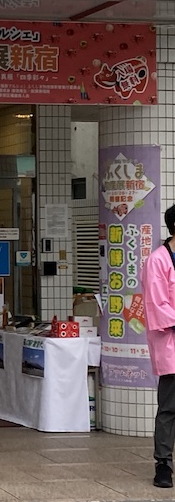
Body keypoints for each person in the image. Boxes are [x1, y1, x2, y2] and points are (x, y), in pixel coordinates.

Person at [143, 204, 175, 488]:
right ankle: (163, 463)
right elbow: (156, 302)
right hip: (172, 341)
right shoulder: (158, 260)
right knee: (169, 407)